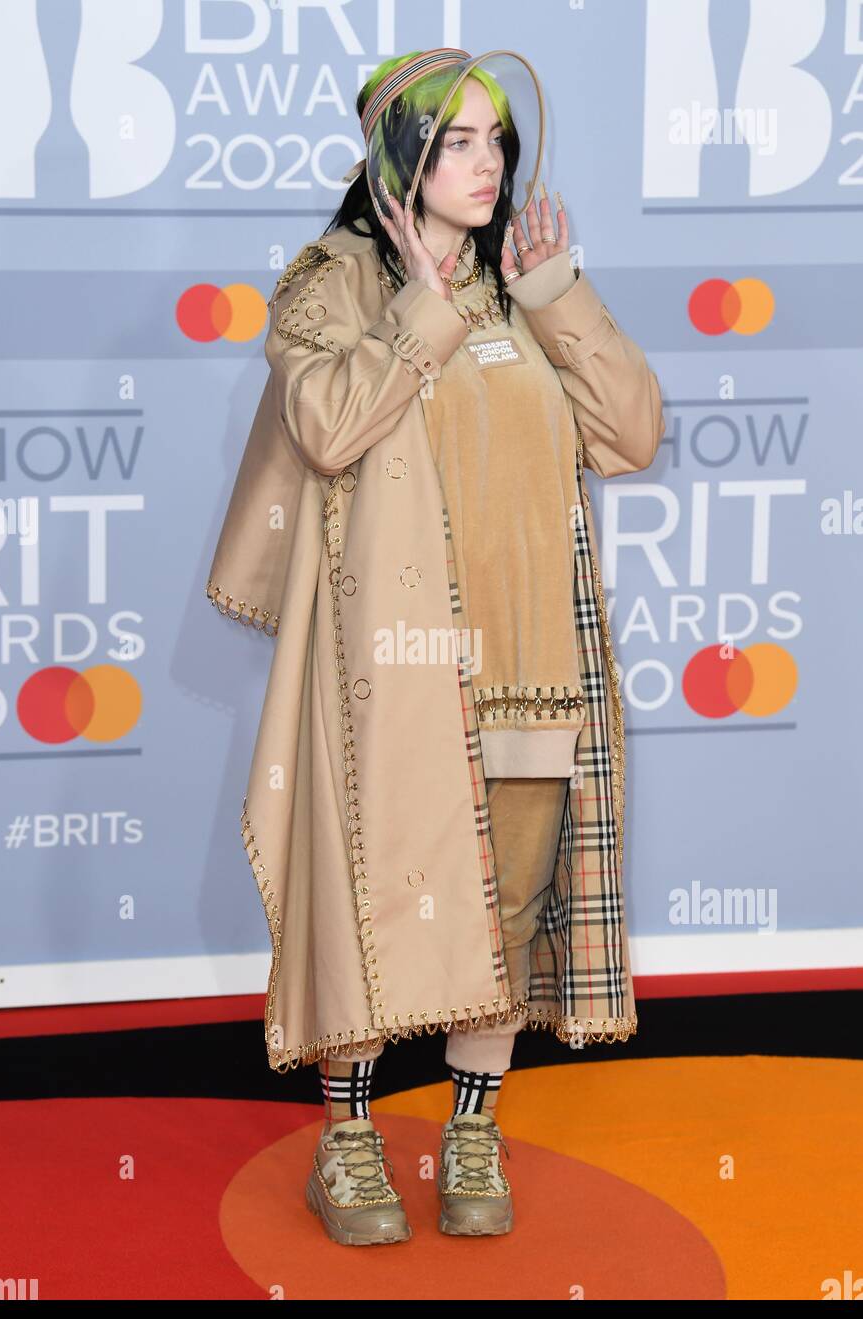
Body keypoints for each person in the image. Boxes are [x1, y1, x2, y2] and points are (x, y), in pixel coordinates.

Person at [206, 47, 666, 1246]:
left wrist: (558, 290)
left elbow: (631, 435)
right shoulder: (338, 284)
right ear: (399, 156)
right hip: (393, 678)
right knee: (372, 904)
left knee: (500, 917)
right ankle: (348, 1136)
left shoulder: (521, 286)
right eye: (457, 141)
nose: (487, 163)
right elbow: (327, 425)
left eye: (497, 141)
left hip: (533, 670)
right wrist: (417, 309)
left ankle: (473, 1125)